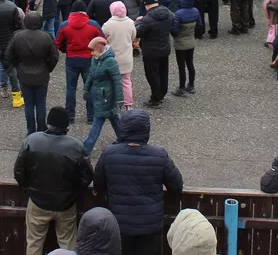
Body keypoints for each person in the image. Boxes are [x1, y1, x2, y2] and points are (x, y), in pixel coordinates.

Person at [93, 109, 183, 255]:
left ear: (124, 129)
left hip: (119, 224)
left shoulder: (109, 153)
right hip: (150, 225)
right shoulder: (159, 155)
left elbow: (98, 184)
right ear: (146, 130)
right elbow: (177, 186)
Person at [13, 106, 94, 255]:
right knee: (68, 246)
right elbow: (87, 175)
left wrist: (27, 189)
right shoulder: (76, 146)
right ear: (66, 126)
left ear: (48, 123)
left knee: (34, 245)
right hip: (66, 205)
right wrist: (74, 194)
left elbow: (19, 171)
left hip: (37, 202)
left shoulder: (31, 141)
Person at [6, 11, 59, 135]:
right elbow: (54, 57)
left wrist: (18, 65)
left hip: (24, 73)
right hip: (42, 73)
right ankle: (42, 129)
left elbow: (8, 55)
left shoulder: (17, 36)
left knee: (29, 104)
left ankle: (30, 131)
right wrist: (48, 68)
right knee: (41, 103)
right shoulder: (46, 37)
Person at [82, 36, 124, 155]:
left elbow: (117, 81)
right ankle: (124, 140)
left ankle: (86, 149)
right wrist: (86, 89)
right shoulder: (96, 59)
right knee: (114, 118)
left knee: (98, 122)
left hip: (106, 97)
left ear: (99, 49)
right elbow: (91, 75)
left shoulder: (110, 61)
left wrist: (120, 99)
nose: (91, 53)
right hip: (100, 95)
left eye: (92, 50)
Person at [136, 0, 172, 107]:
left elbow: (138, 33)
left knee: (152, 74)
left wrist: (138, 22)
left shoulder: (147, 20)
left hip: (150, 52)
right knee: (163, 73)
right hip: (164, 49)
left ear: (146, 5)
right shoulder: (169, 14)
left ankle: (155, 98)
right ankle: (162, 93)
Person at [171, 0, 201, 96]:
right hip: (191, 42)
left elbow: (175, 31)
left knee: (181, 66)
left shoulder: (178, 14)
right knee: (190, 64)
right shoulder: (196, 11)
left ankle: (181, 88)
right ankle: (191, 85)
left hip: (180, 44)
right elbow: (199, 25)